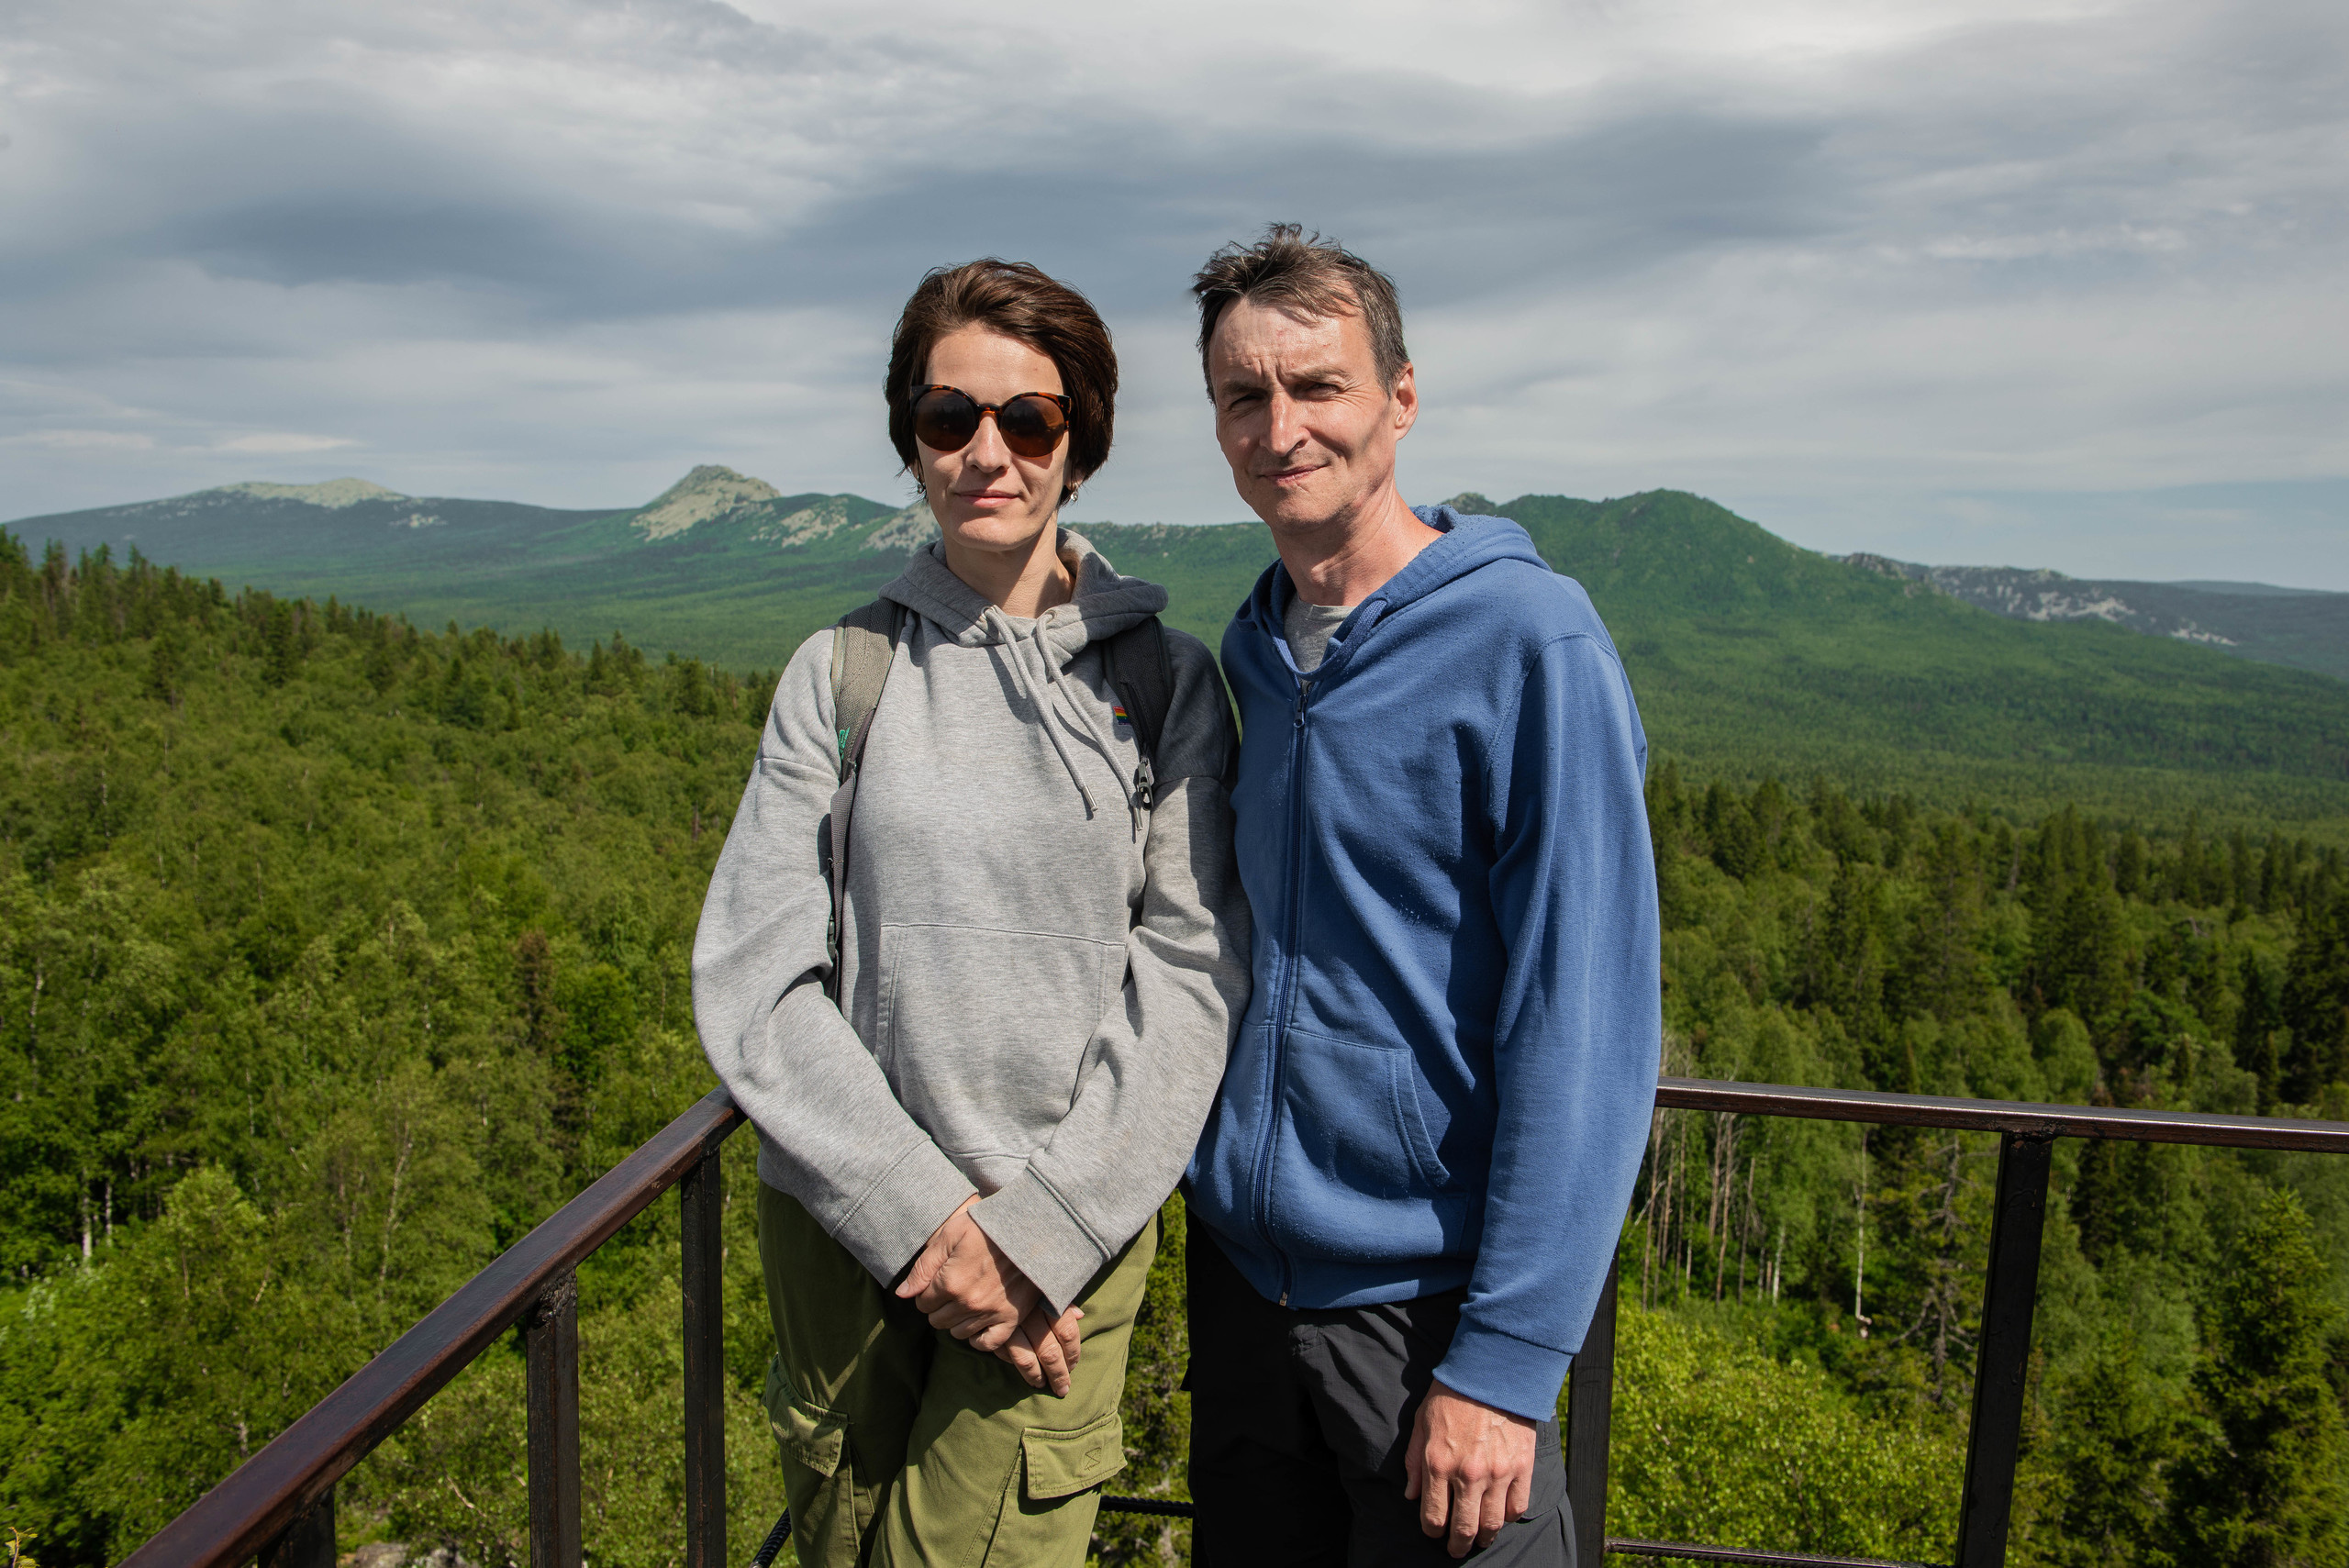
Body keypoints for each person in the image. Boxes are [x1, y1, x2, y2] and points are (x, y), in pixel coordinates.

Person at [693, 259, 1250, 1567]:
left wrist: (1033, 1237)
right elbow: (757, 975)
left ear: (1080, 442)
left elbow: (1193, 972)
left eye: (1030, 420)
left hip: (1062, 1243)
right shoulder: (842, 671)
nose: (986, 453)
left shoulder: (1165, 685)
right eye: (949, 417)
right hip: (848, 1230)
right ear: (912, 437)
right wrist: (927, 1223)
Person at [1182, 225, 1662, 1565]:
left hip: (1431, 1315)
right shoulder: (1258, 644)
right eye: (1243, 394)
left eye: (1318, 385)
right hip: (1245, 1292)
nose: (1281, 427)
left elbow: (1586, 1021)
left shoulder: (1530, 642)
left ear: (1400, 396)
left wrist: (1508, 1361)